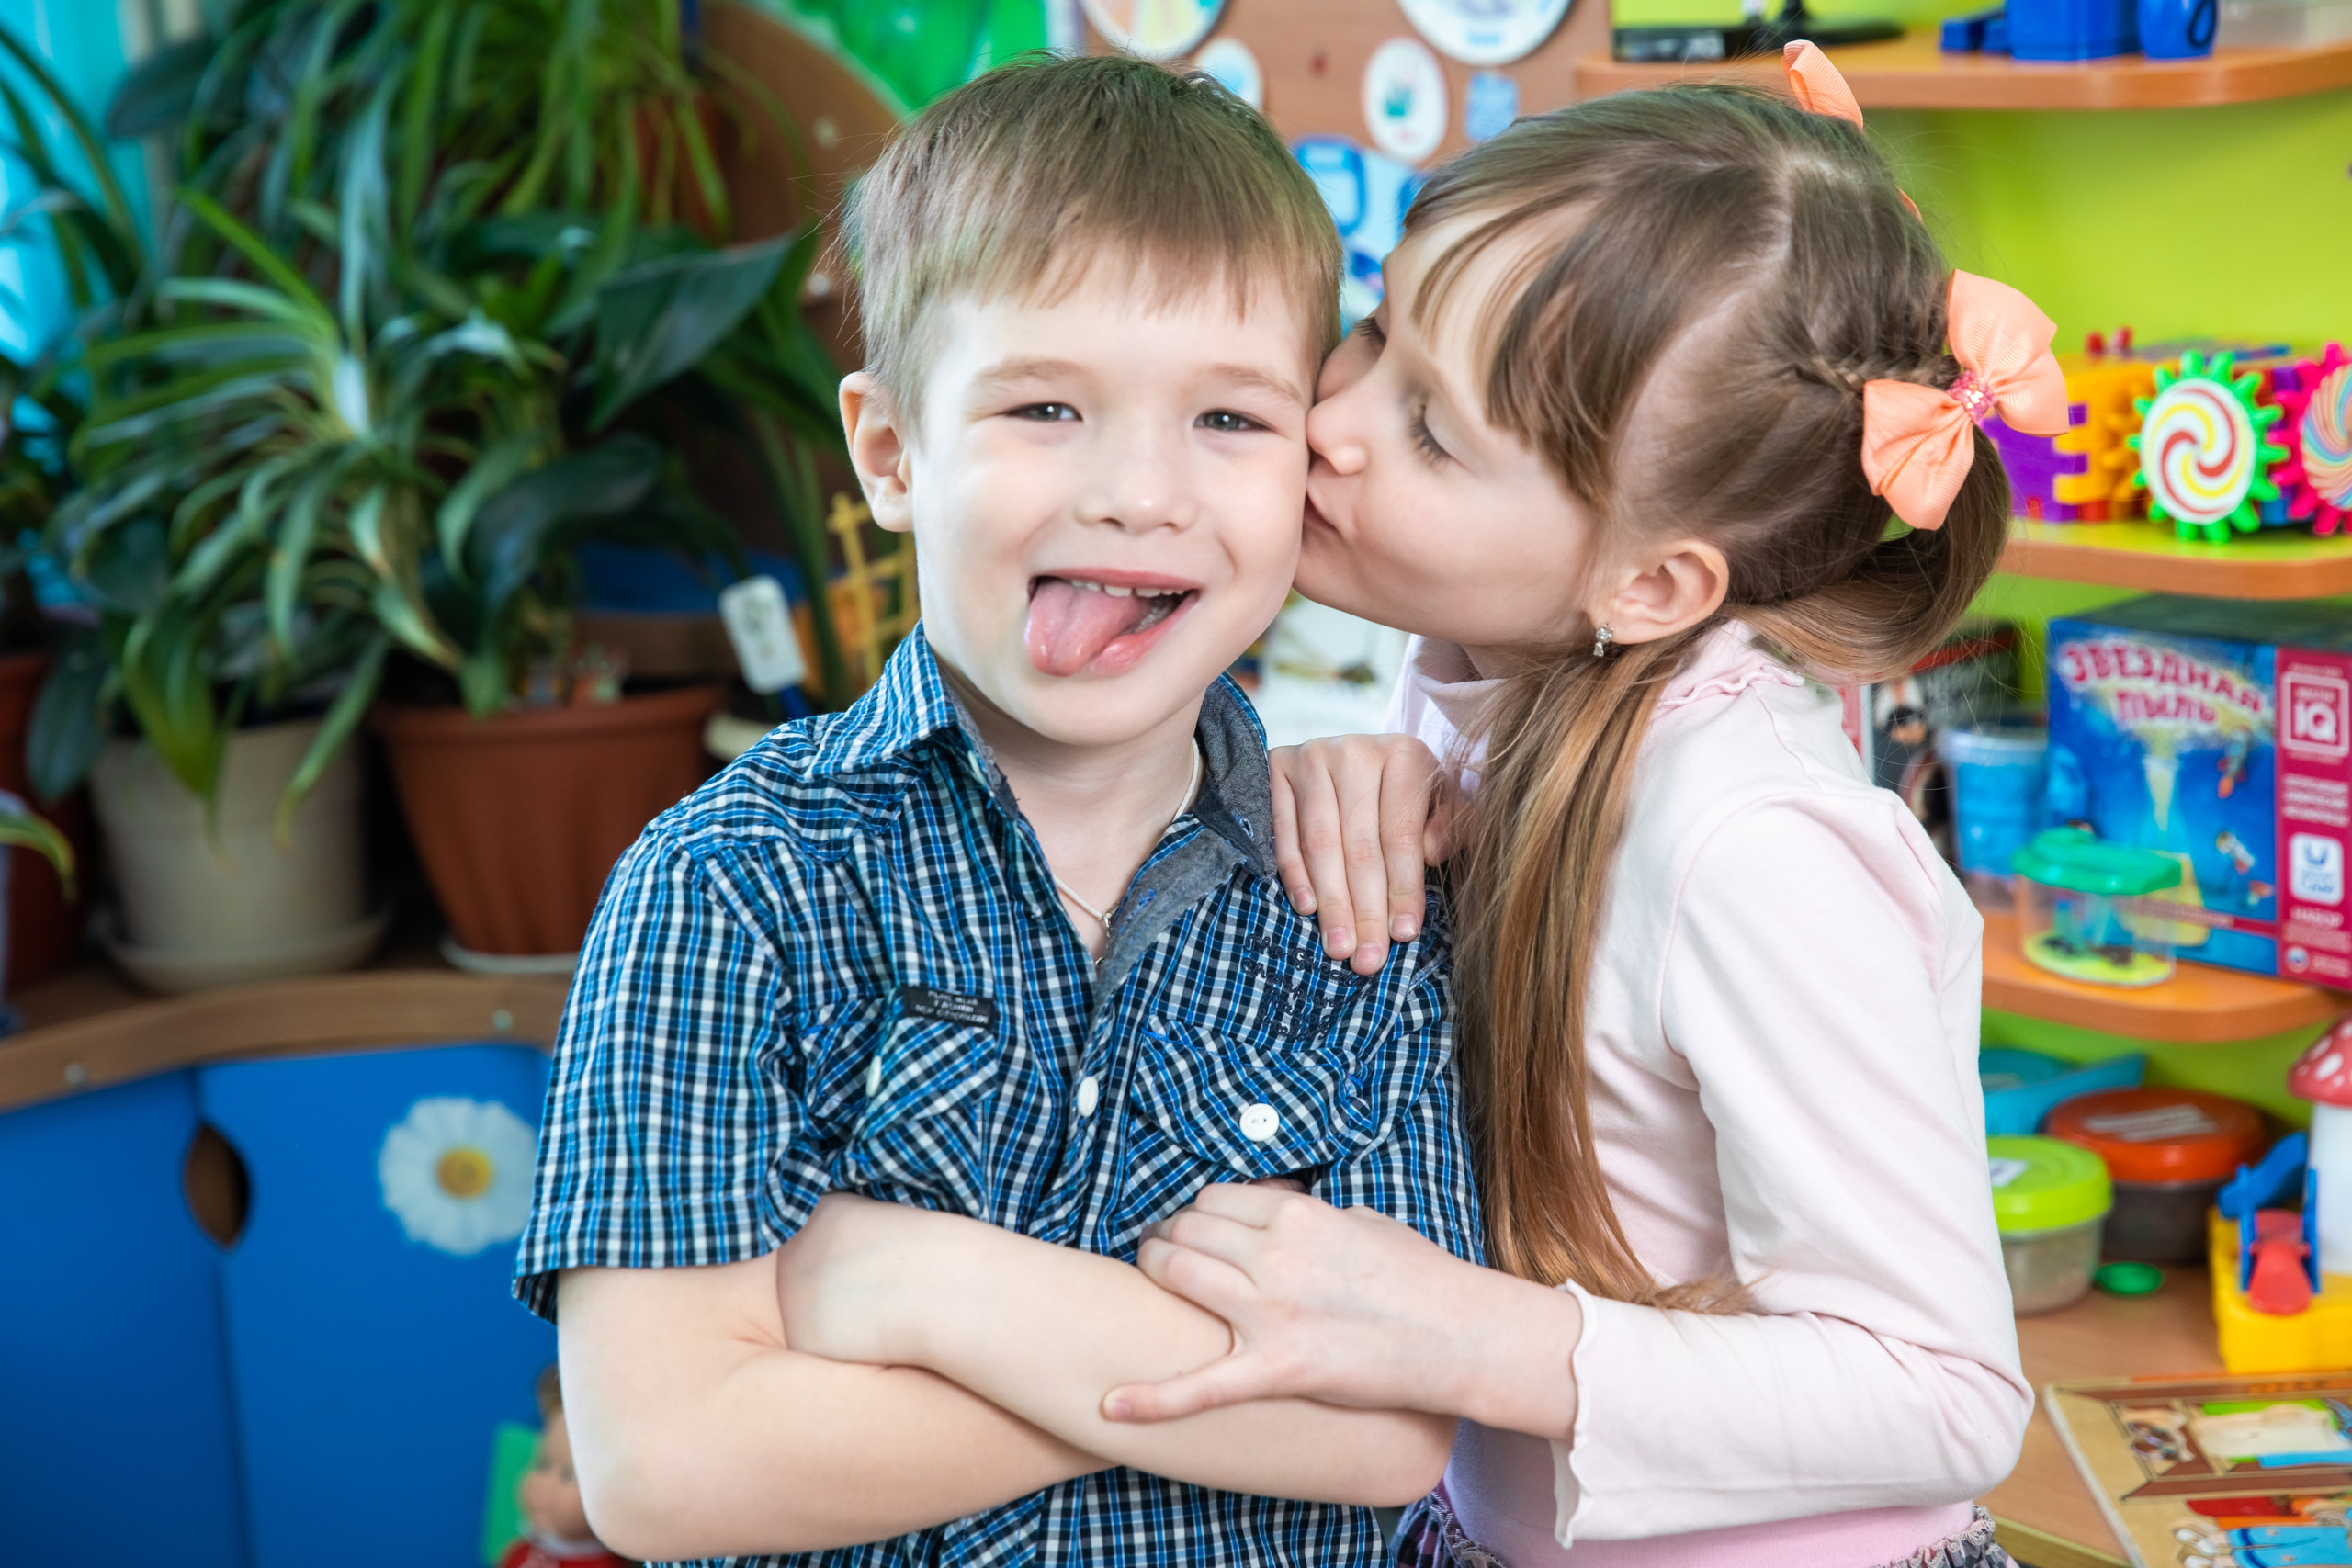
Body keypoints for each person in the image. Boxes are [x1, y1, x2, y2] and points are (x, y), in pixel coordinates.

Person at [512, 52, 1477, 1568]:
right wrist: (1224, 1386)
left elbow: (1387, 1438)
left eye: (1229, 421)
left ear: (1305, 459)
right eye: (1044, 406)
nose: (1141, 491)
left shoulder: (1362, 894)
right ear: (890, 453)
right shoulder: (730, 886)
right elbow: (666, 1464)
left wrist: (913, 1295)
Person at [1099, 48, 2046, 1568]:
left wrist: (1453, 1334)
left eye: (1431, 432)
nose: (1331, 424)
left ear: (1652, 585)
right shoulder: (1486, 666)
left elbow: (1943, 1394)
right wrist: (1358, 774)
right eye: (1376, 333)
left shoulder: (1753, 846)